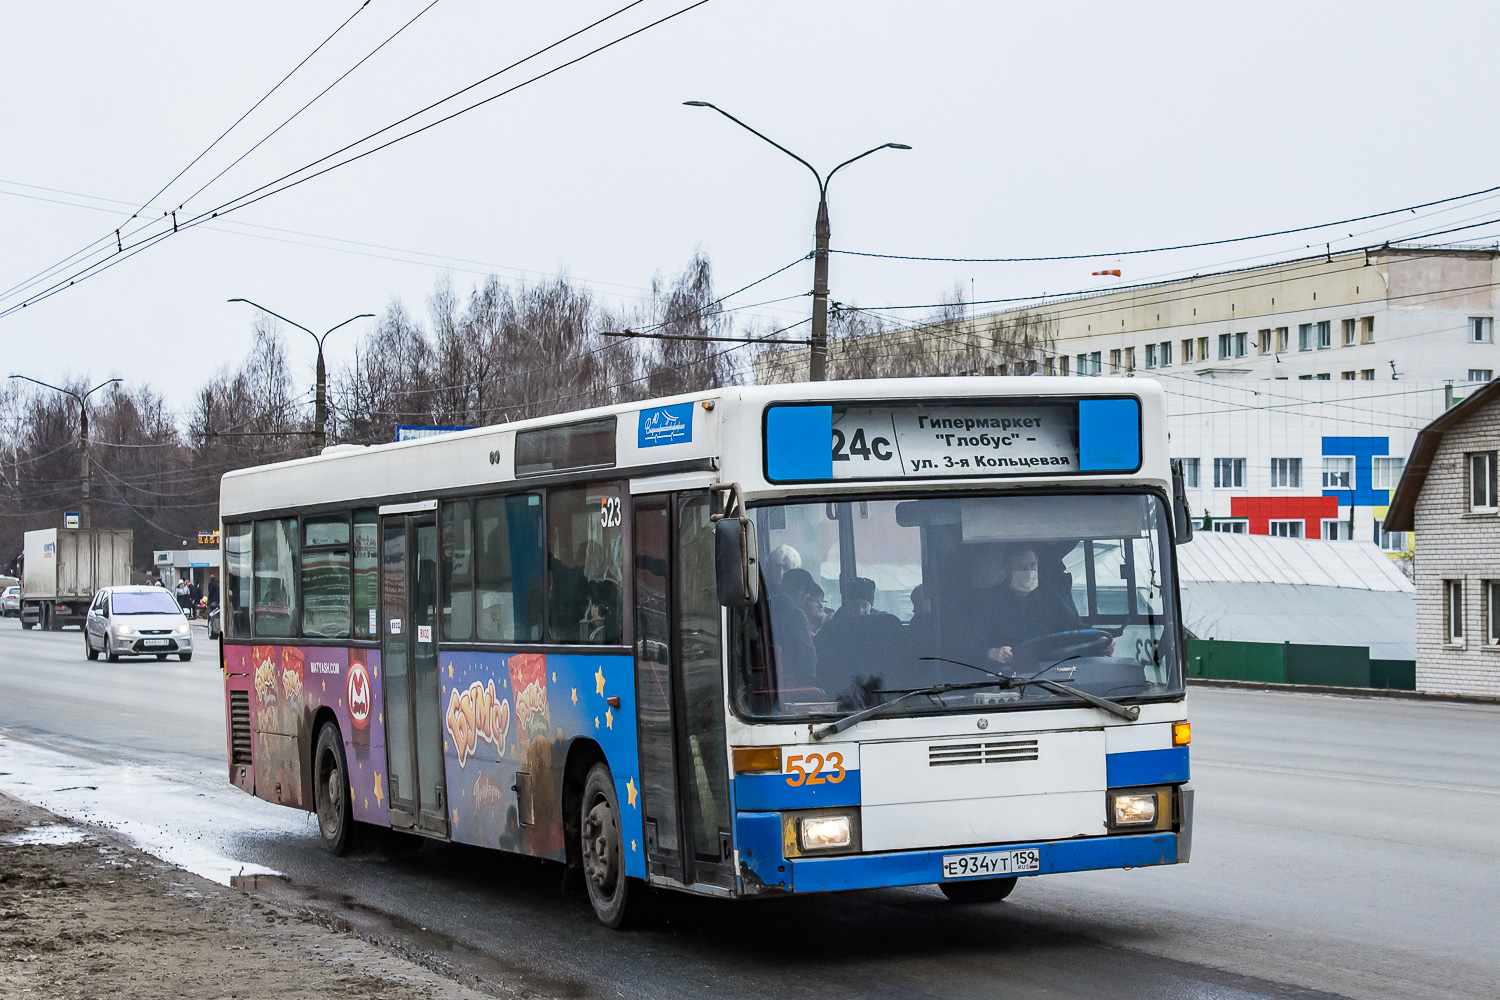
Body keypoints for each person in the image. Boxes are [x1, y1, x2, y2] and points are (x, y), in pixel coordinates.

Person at [982, 545, 1110, 667]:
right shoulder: (990, 601)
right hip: (1005, 678)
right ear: (1007, 570)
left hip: (1051, 672)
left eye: (1032, 566)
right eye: (1021, 567)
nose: (1028, 572)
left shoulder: (1051, 598)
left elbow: (1076, 630)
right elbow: (970, 644)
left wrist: (1100, 641)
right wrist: (992, 652)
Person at [814, 577, 906, 707]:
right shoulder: (831, 630)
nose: (860, 610)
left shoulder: (885, 626)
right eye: (855, 605)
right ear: (847, 605)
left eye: (864, 605)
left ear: (871, 605)